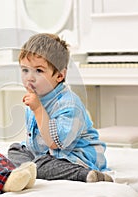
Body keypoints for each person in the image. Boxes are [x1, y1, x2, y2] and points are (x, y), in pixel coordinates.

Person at [8, 33, 113, 182]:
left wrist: (38, 109)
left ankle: (85, 174)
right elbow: (34, 140)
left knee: (42, 165)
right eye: (25, 70)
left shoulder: (69, 103)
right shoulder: (37, 97)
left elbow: (55, 143)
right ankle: (34, 167)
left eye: (39, 70)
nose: (29, 77)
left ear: (59, 75)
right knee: (15, 150)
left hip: (74, 156)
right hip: (45, 154)